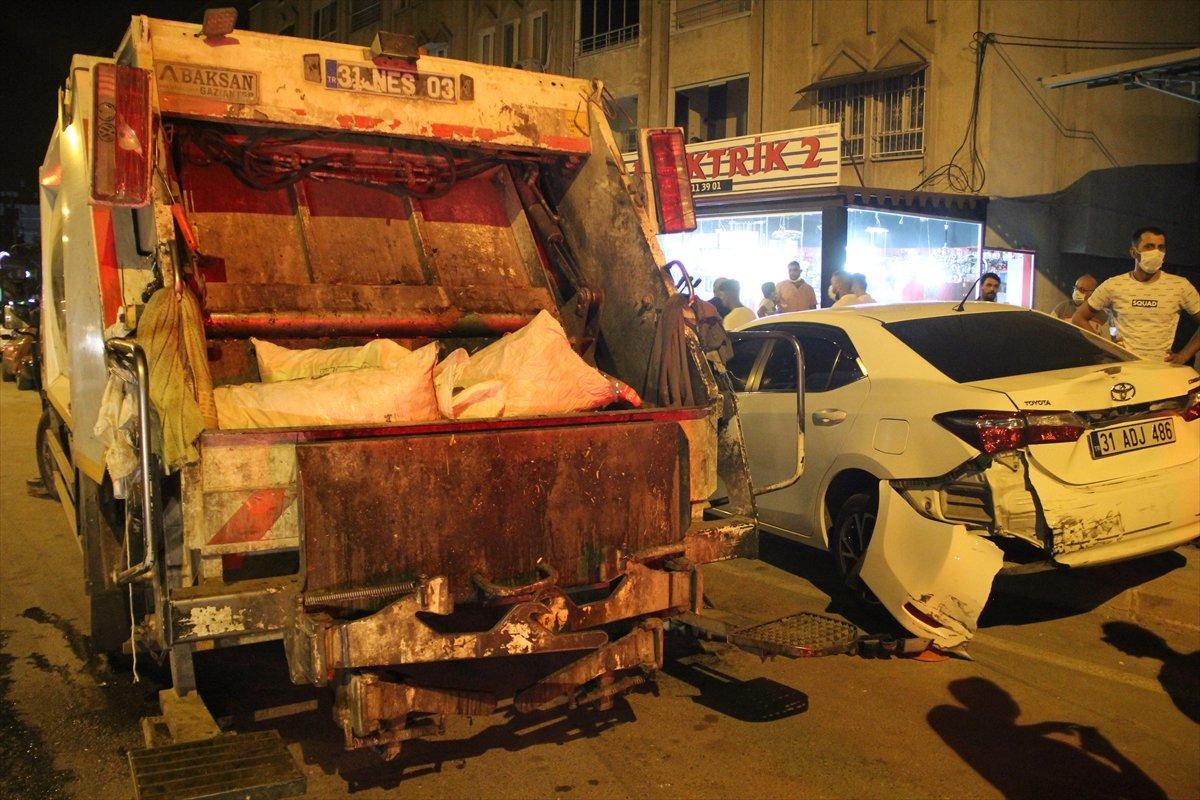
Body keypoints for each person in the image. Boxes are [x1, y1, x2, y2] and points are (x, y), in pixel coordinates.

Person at [1074, 226, 1200, 363]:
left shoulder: (1180, 286)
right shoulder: (1113, 285)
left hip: (1160, 370)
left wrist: (1185, 355)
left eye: (1161, 247)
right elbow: (1079, 318)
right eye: (1149, 246)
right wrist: (1105, 348)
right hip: (1124, 369)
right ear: (1134, 252)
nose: (1156, 252)